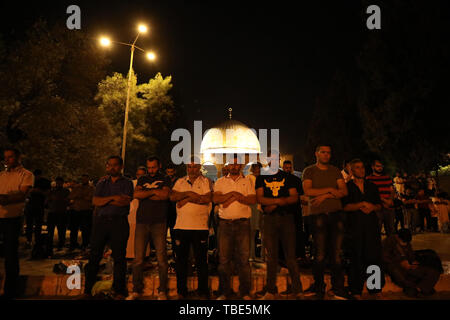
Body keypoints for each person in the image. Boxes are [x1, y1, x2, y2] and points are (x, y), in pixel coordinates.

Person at [83, 156, 134, 299]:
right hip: (101, 223)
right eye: (109, 165)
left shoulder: (127, 183)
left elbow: (124, 202)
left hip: (119, 223)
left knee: (119, 258)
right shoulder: (102, 182)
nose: (112, 168)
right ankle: (87, 291)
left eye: (115, 165)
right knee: (94, 256)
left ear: (121, 167)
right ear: (107, 166)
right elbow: (96, 201)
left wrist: (105, 200)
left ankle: (119, 291)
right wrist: (113, 198)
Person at [302, 145, 348, 300]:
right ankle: (319, 287)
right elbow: (308, 191)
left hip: (336, 215)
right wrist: (330, 190)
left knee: (336, 255)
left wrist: (323, 196)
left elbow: (343, 192)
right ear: (316, 154)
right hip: (318, 215)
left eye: (329, 152)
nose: (326, 155)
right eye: (323, 152)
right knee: (320, 254)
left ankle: (338, 288)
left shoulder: (335, 171)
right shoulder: (309, 171)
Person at [256, 151, 302, 300]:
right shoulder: (261, 178)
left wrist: (273, 203)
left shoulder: (287, 177)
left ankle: (297, 290)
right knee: (271, 257)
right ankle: (271, 290)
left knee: (291, 256)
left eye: (276, 158)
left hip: (286, 219)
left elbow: (294, 197)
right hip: (269, 220)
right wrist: (280, 201)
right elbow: (260, 198)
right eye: (271, 158)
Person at [128, 156, 171, 300]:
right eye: (149, 167)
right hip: (142, 222)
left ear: (159, 166)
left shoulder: (166, 178)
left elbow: (165, 195)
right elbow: (136, 194)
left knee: (161, 259)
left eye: (153, 167)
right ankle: (136, 289)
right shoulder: (142, 179)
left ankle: (162, 290)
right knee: (138, 259)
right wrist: (154, 192)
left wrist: (146, 194)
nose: (151, 170)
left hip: (159, 222)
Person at [214, 154, 256, 300]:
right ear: (227, 165)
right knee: (224, 260)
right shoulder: (220, 182)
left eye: (237, 164)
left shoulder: (248, 181)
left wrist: (233, 197)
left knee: (244, 260)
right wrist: (233, 194)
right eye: (232, 164)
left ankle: (244, 292)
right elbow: (216, 199)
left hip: (243, 223)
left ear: (241, 166)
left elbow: (252, 199)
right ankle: (224, 292)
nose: (234, 166)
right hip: (225, 223)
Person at [169, 156, 213, 299]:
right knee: (181, 261)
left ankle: (203, 291)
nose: (191, 169)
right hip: (181, 227)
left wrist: (186, 199)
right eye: (189, 167)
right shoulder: (180, 181)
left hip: (200, 227)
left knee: (201, 261)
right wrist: (190, 194)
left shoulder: (206, 181)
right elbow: (173, 197)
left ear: (200, 167)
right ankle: (182, 291)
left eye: (194, 167)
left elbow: (206, 199)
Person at [342, 159, 385, 299]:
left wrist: (372, 207)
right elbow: (345, 207)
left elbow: (379, 205)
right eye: (358, 168)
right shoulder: (347, 187)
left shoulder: (371, 186)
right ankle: (356, 290)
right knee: (356, 258)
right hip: (355, 227)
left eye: (362, 167)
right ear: (352, 170)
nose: (361, 170)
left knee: (374, 257)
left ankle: (375, 288)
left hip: (371, 226)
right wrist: (361, 204)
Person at [0, 148, 33, 299]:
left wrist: (6, 198)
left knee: (10, 253)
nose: (7, 160)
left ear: (18, 158)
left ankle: (11, 289)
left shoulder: (26, 175)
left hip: (12, 218)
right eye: (5, 157)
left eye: (10, 157)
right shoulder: (1, 175)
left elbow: (21, 195)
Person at [382, 229, 441, 297]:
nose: (405, 244)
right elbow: (385, 258)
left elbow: (411, 255)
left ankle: (418, 289)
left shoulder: (407, 243)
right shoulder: (389, 242)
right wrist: (400, 263)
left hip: (409, 268)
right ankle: (421, 289)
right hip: (399, 269)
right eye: (403, 241)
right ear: (397, 237)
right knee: (397, 272)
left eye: (406, 242)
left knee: (434, 272)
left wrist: (413, 262)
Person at [282, 160, 306, 261]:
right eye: (286, 168)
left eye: (289, 168)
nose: (288, 170)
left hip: (295, 210)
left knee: (297, 233)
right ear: (283, 168)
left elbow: (301, 194)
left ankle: (298, 254)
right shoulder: (280, 179)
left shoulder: (296, 180)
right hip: (285, 210)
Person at [366, 160, 395, 236]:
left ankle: (390, 247)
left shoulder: (387, 177)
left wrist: (390, 200)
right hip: (377, 208)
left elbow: (392, 190)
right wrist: (385, 201)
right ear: (373, 167)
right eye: (378, 166)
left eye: (381, 166)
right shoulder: (369, 179)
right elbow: (370, 194)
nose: (380, 168)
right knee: (376, 230)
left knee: (391, 230)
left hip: (389, 207)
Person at [24, 169, 51, 251]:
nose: (37, 177)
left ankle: (37, 240)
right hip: (30, 205)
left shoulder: (45, 182)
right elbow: (25, 191)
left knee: (38, 224)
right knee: (29, 224)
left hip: (39, 205)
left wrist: (39, 191)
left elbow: (48, 193)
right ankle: (28, 240)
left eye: (38, 176)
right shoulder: (30, 181)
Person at [68, 174, 95, 251]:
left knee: (86, 229)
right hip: (76, 210)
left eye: (85, 179)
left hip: (86, 211)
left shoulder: (91, 188)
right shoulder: (77, 187)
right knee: (74, 229)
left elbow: (91, 198)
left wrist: (80, 196)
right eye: (83, 179)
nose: (84, 180)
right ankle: (73, 244)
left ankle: (85, 244)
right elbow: (71, 196)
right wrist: (82, 196)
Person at [46, 177, 70, 256]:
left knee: (61, 230)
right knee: (51, 230)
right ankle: (49, 246)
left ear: (62, 183)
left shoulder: (66, 191)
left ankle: (61, 245)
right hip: (53, 212)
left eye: (60, 182)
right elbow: (47, 200)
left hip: (61, 212)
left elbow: (68, 200)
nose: (58, 184)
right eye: (57, 182)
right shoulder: (52, 191)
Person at [126, 166, 147, 259]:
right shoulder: (131, 183)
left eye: (142, 175)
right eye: (138, 175)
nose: (140, 177)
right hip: (131, 215)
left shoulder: (149, 185)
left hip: (144, 216)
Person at [247, 162, 263, 261]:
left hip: (262, 205)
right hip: (253, 206)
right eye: (255, 168)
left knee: (263, 232)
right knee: (252, 232)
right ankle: (251, 255)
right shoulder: (249, 178)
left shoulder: (263, 178)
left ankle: (263, 256)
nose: (257, 170)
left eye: (259, 168)